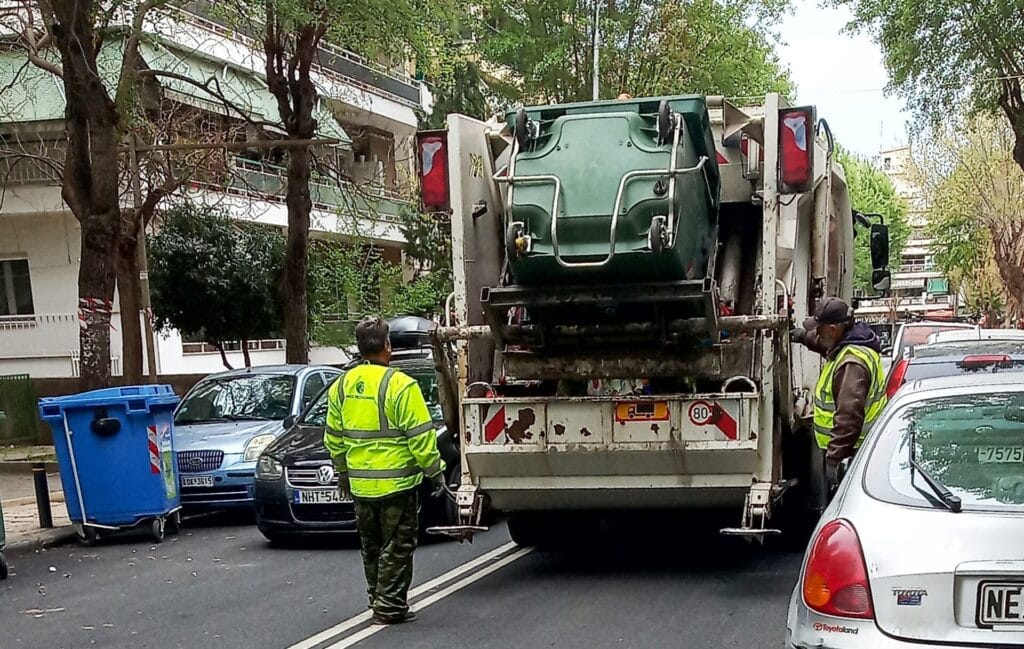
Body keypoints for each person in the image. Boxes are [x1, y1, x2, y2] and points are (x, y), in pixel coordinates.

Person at [324, 316, 445, 625]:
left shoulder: (340, 387)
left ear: (360, 347)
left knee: (372, 546)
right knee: (398, 545)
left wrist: (342, 473)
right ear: (387, 346)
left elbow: (334, 438)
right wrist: (436, 473)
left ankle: (376, 598)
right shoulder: (401, 386)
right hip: (397, 485)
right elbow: (421, 437)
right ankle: (389, 606)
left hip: (361, 486)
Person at [791, 297, 887, 489]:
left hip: (852, 455)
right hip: (860, 449)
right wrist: (802, 336)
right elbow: (823, 343)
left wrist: (834, 460)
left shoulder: (851, 363)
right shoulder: (852, 342)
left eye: (819, 328)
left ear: (834, 329)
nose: (816, 332)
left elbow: (848, 418)